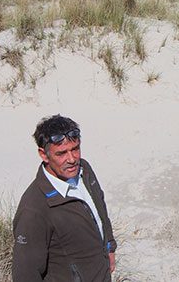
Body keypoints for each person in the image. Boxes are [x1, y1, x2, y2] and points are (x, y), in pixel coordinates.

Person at [12, 115, 117, 281]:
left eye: (75, 149)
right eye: (61, 153)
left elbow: (100, 209)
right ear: (43, 154)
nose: (72, 159)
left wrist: (110, 247)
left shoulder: (85, 170)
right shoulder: (34, 209)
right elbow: (25, 273)